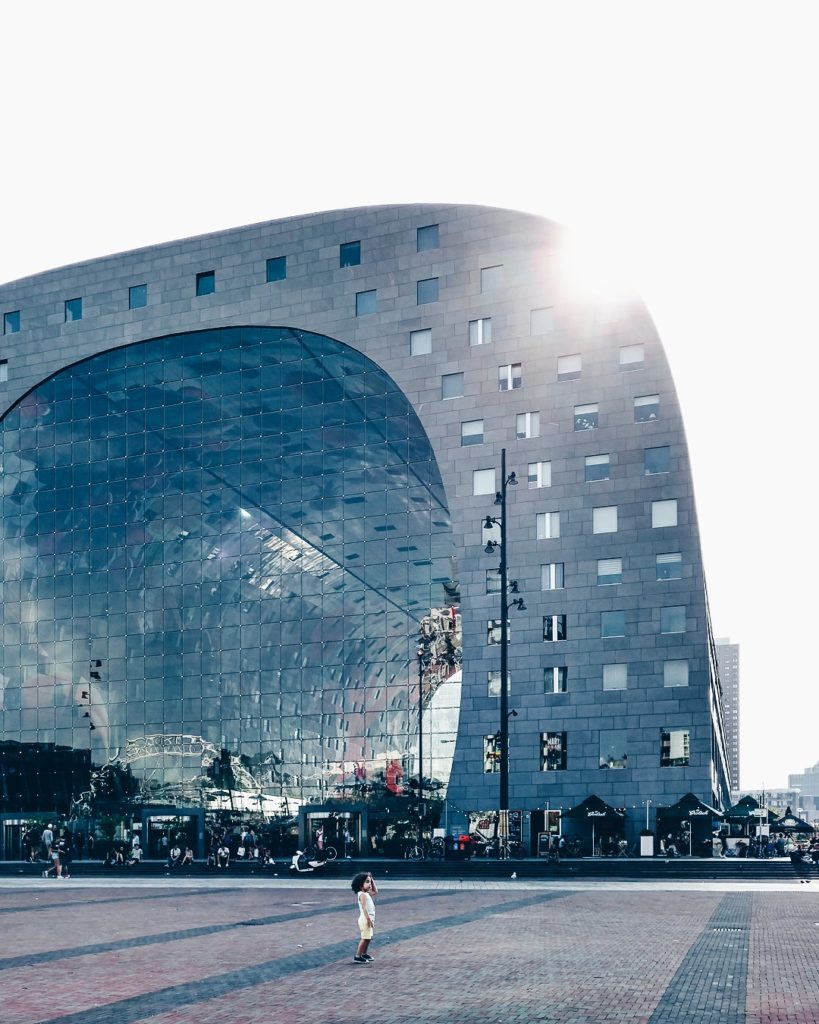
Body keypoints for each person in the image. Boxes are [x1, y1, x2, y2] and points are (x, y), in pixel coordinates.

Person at [351, 871, 378, 964]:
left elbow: (375, 891)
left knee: (368, 937)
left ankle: (364, 953)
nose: (369, 884)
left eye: (369, 882)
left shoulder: (366, 893)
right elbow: (364, 908)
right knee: (364, 938)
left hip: (369, 919)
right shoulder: (362, 894)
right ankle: (358, 956)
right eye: (367, 882)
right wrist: (368, 919)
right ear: (360, 884)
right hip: (365, 919)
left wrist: (372, 879)